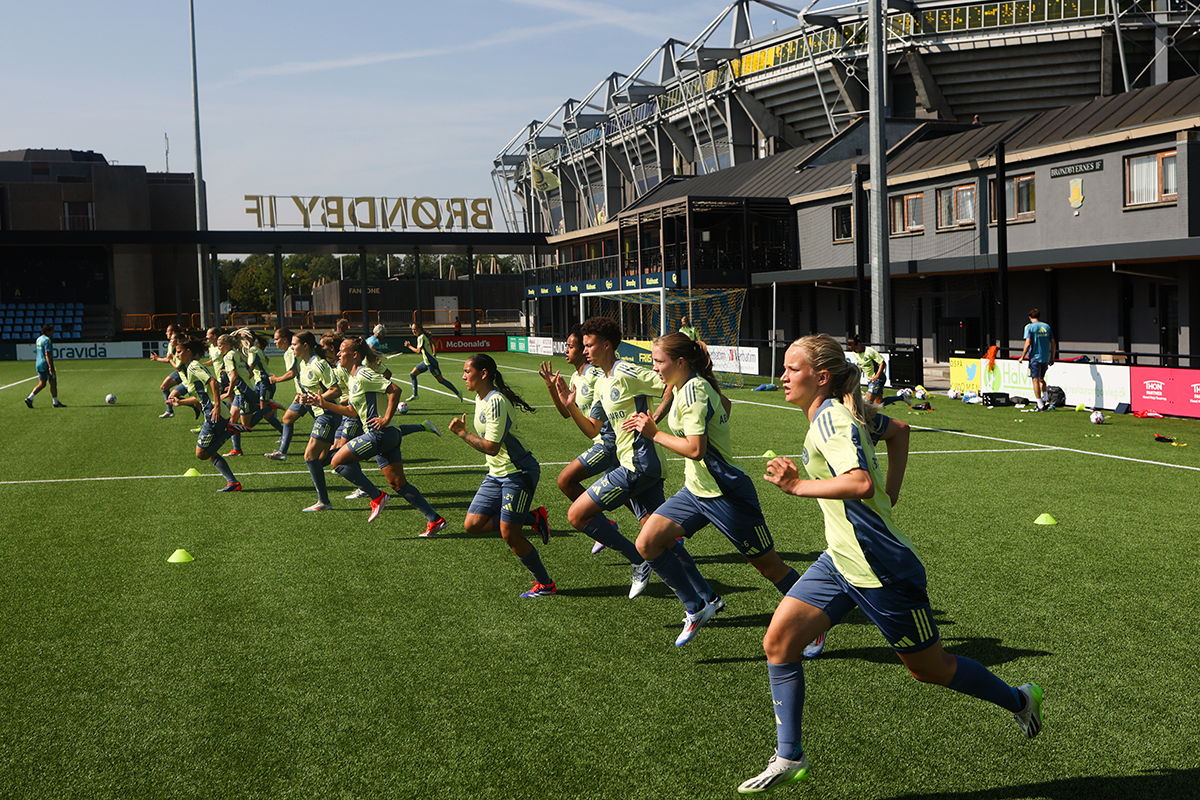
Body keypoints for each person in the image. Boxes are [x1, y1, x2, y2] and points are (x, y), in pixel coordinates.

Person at [736, 334, 1043, 794]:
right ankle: (789, 756)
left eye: (791, 369)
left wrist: (798, 487)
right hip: (841, 560)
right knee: (779, 642)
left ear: (820, 377)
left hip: (882, 567)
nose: (781, 377)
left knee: (930, 668)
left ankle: (1021, 699)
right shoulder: (840, 413)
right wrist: (891, 493)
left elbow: (859, 482)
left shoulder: (831, 422)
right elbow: (900, 431)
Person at [623, 333, 802, 646]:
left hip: (727, 494)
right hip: (696, 491)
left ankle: (813, 619)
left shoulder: (694, 390)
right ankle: (697, 606)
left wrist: (654, 433)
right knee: (648, 542)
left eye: (658, 362)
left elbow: (695, 450)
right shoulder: (687, 385)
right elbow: (725, 406)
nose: (654, 368)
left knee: (770, 568)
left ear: (680, 362)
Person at [558, 317, 707, 604]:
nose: (586, 350)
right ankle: (707, 596)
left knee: (577, 515)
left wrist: (654, 419)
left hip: (637, 465)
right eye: (584, 345)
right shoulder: (602, 381)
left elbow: (670, 383)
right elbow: (592, 428)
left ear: (606, 345)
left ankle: (637, 560)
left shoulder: (626, 371)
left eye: (589, 345)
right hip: (635, 464)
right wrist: (570, 406)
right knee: (660, 536)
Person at [308, 337, 446, 531]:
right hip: (388, 436)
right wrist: (323, 403)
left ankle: (376, 496)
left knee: (336, 461)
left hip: (380, 433)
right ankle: (435, 519)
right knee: (398, 484)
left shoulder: (364, 374)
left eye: (341, 350)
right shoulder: (355, 378)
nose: (338, 353)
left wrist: (386, 418)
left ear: (354, 355)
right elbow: (351, 412)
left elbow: (395, 390)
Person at [449, 353, 554, 597]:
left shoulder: (495, 401)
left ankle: (546, 583)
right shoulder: (480, 398)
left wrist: (462, 433)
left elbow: (491, 447)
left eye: (467, 371)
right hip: (497, 473)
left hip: (518, 473)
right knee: (472, 525)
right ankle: (533, 518)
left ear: (483, 373)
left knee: (510, 535)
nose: (463, 376)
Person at [537, 325, 617, 555]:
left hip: (609, 440)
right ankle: (669, 539)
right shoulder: (575, 376)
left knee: (565, 480)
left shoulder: (594, 373)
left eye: (570, 346)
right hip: (602, 440)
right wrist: (551, 387)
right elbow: (566, 412)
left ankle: (603, 524)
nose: (566, 351)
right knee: (631, 497)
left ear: (584, 350)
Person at [167, 338, 243, 492]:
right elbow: (201, 396)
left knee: (201, 453)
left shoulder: (193, 367)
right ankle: (233, 483)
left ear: (188, 352)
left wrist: (216, 406)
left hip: (214, 415)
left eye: (179, 352)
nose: (177, 355)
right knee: (210, 452)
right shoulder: (191, 368)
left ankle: (230, 431)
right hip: (215, 413)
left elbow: (213, 382)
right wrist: (180, 402)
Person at [264, 328, 308, 462]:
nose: (275, 342)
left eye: (276, 339)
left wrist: (277, 379)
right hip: (303, 394)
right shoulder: (291, 351)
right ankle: (282, 452)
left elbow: (292, 373)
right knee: (287, 419)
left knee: (333, 422)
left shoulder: (289, 352)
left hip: (308, 394)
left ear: (284, 339)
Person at [404, 322, 463, 402]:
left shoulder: (421, 337)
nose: (414, 331)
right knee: (412, 374)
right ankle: (415, 394)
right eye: (412, 329)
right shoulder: (424, 336)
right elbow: (434, 342)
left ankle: (457, 392)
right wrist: (434, 352)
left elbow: (418, 351)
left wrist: (409, 346)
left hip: (431, 364)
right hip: (426, 362)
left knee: (441, 380)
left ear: (420, 329)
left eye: (415, 329)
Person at [1018, 309, 1056, 411]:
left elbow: (1028, 343)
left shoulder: (1030, 327)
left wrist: (1022, 356)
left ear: (1030, 318)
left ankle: (1040, 404)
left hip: (1035, 357)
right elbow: (1053, 343)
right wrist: (1052, 356)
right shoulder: (1047, 327)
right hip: (1045, 357)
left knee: (1035, 380)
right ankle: (1046, 399)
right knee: (1041, 379)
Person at [149, 323, 187, 418]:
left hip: (186, 372)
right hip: (179, 372)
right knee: (164, 387)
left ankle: (193, 404)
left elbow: (177, 364)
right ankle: (170, 411)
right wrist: (157, 358)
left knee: (173, 396)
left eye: (167, 331)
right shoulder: (171, 344)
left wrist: (169, 359)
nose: (166, 333)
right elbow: (168, 359)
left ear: (173, 332)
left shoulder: (181, 345)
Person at [25, 323, 65, 408]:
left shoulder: (38, 339)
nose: (53, 333)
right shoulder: (47, 340)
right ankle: (55, 402)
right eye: (52, 331)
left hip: (39, 363)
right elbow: (47, 353)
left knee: (42, 384)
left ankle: (30, 398)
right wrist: (50, 366)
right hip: (46, 364)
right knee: (53, 383)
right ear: (48, 331)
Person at [846, 334, 886, 405]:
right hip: (870, 380)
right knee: (879, 403)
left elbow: (882, 363)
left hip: (877, 379)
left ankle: (867, 415)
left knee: (867, 401)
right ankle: (902, 397)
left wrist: (876, 376)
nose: (853, 351)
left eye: (853, 348)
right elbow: (861, 365)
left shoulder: (870, 351)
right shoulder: (856, 353)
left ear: (859, 344)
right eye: (851, 349)